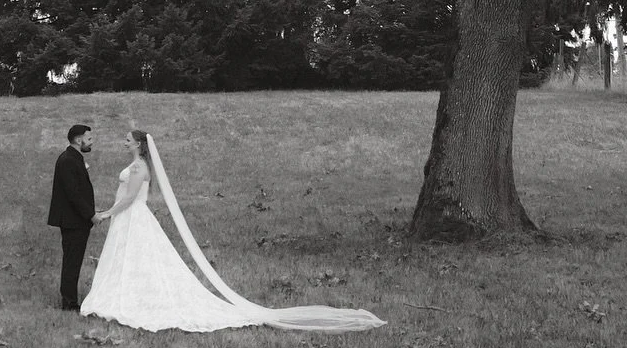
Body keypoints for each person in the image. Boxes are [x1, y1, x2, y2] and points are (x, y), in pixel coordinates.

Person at [81, 127, 385, 334]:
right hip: (131, 218)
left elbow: (131, 197)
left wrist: (107, 213)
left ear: (138, 144)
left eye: (127, 140)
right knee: (133, 261)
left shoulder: (137, 168)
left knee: (137, 259)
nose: (124, 143)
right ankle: (128, 294)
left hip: (132, 217)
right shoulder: (137, 166)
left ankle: (131, 299)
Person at [47, 121, 96, 311]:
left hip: (76, 220)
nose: (91, 142)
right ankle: (69, 303)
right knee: (72, 262)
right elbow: (73, 194)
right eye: (89, 139)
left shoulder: (73, 158)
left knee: (73, 261)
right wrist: (91, 215)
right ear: (78, 139)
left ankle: (70, 299)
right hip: (73, 221)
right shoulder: (68, 159)